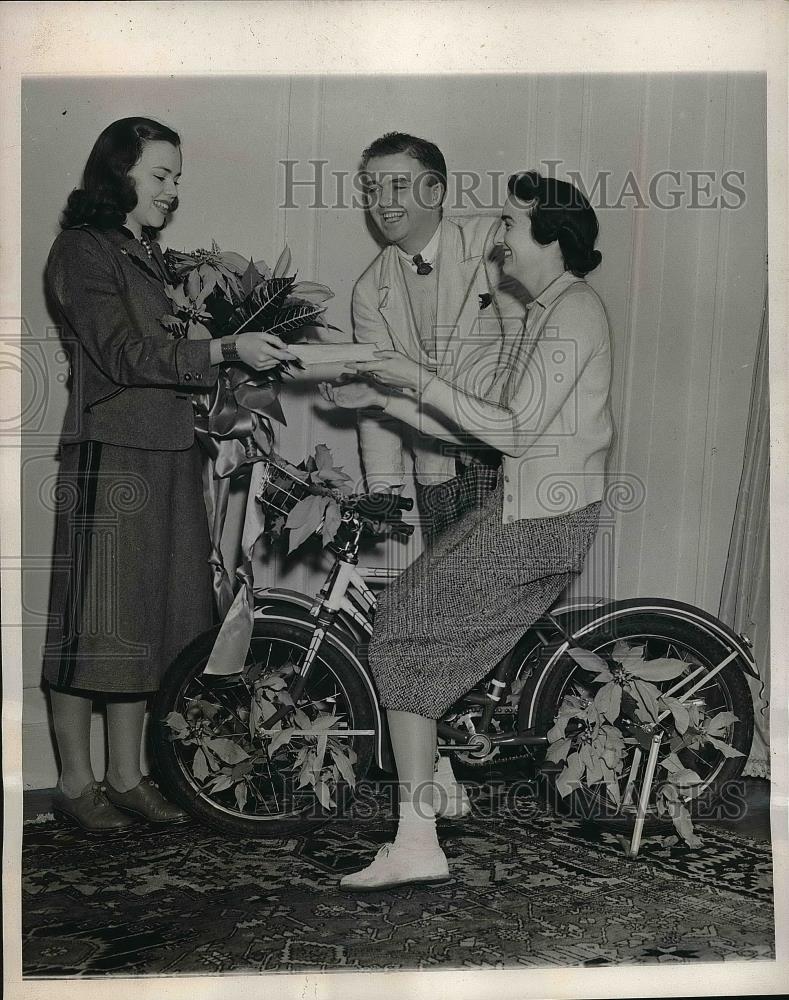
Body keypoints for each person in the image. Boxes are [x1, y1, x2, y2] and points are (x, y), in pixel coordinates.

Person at [326, 170, 614, 890]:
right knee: (405, 622)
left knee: (399, 624)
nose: (499, 241)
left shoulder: (574, 311)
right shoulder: (553, 307)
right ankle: (432, 802)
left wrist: (408, 377)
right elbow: (491, 425)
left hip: (541, 520)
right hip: (526, 509)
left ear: (550, 237)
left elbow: (512, 431)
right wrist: (385, 400)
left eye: (510, 228)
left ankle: (418, 837)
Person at [42, 117, 296, 833]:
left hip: (169, 453)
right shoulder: (81, 252)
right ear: (117, 175)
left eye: (177, 177)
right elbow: (124, 357)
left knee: (145, 622)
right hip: (111, 456)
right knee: (93, 625)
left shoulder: (149, 256)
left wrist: (238, 357)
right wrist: (221, 348)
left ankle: (126, 777)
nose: (173, 190)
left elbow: (179, 352)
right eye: (161, 176)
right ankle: (74, 782)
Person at [349, 132, 523, 542]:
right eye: (373, 189)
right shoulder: (368, 290)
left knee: (504, 602)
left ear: (435, 191)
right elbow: (376, 396)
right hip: (436, 478)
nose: (383, 202)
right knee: (445, 603)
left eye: (398, 186)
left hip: (506, 465)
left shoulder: (491, 244)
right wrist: (383, 488)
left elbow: (525, 346)